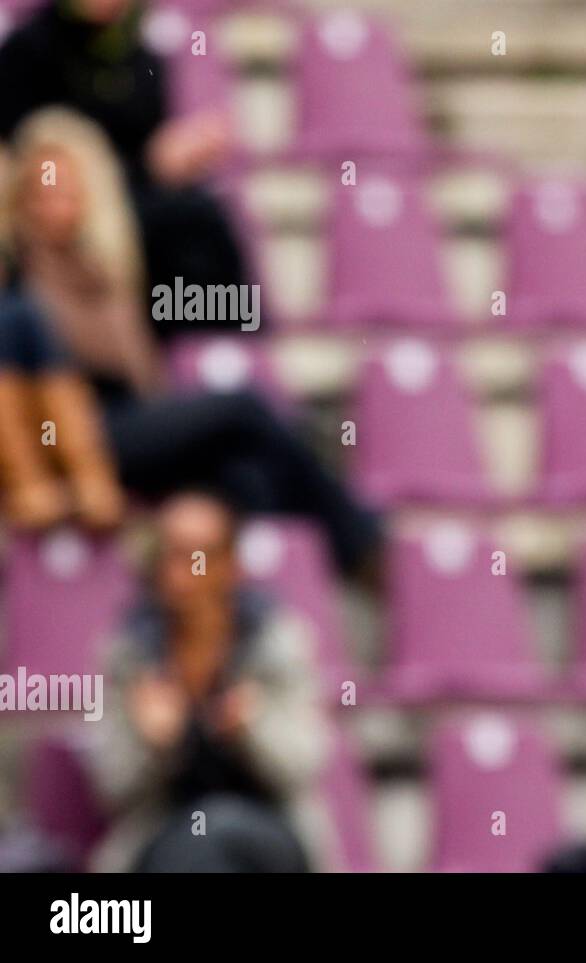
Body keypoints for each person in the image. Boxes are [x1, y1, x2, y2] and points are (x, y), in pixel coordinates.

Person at [0, 107, 382, 576]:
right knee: (244, 409)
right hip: (85, 432)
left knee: (242, 471)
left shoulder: (109, 265)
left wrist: (172, 178)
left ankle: (285, 594)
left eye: (65, 192)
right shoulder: (19, 276)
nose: (54, 206)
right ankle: (358, 537)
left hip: (134, 418)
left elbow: (230, 297)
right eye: (41, 195)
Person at [87, 490, 337, 872]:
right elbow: (112, 788)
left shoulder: (277, 642)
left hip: (269, 833)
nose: (182, 574)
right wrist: (153, 746)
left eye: (198, 557)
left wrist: (252, 729)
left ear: (231, 565)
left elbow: (304, 766)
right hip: (165, 836)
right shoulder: (128, 654)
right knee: (200, 840)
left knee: (217, 828)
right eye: (171, 554)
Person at [0, 0, 249, 333]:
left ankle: (216, 346)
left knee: (202, 216)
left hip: (132, 192)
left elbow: (148, 146)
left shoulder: (139, 56)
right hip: (64, 201)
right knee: (178, 223)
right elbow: (24, 152)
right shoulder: (29, 51)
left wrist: (172, 156)